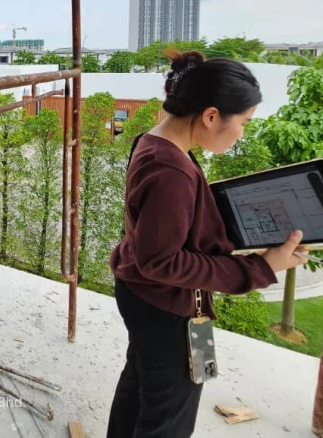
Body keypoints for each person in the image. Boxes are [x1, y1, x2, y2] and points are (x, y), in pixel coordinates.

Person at [106, 49, 308, 438]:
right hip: (167, 308)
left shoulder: (153, 141)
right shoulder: (172, 171)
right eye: (244, 122)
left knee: (139, 389)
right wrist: (262, 267)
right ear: (211, 115)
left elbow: (167, 227)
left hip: (142, 295)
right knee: (168, 417)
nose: (243, 132)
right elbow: (162, 262)